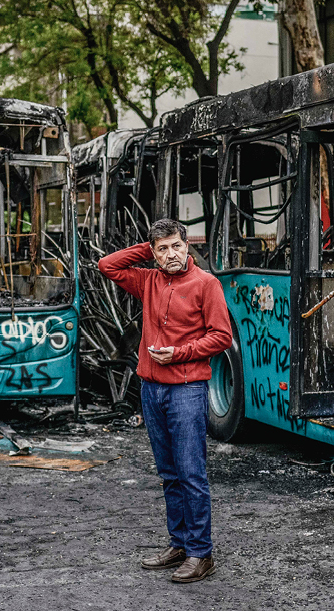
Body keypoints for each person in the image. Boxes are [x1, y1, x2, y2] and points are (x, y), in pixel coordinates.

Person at [98, 218, 233, 584]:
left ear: (187, 246)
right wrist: (149, 249)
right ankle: (179, 544)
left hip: (187, 389)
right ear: (153, 253)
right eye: (163, 249)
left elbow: (221, 336)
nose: (171, 254)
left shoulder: (207, 284)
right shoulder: (148, 280)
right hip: (151, 389)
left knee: (191, 473)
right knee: (169, 474)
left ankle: (201, 553)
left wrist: (180, 353)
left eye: (176, 246)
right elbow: (107, 265)